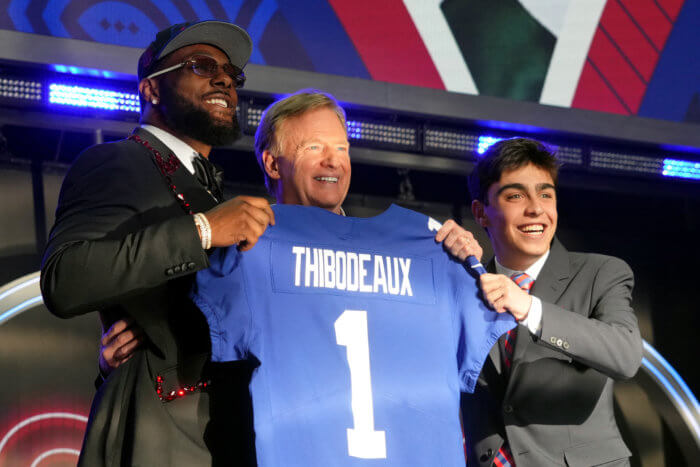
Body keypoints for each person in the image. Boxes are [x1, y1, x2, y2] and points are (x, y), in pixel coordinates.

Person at [190, 89, 516, 466]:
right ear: (273, 164)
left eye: (342, 149)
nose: (334, 161)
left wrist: (467, 263)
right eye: (314, 147)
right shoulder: (247, 250)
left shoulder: (430, 247)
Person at [40, 21, 273, 466]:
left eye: (232, 73)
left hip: (229, 433)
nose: (224, 78)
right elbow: (64, 280)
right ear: (150, 90)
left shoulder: (215, 194)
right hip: (163, 436)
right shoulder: (115, 162)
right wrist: (202, 231)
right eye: (202, 65)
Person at [461, 137, 643, 467]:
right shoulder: (464, 287)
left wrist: (530, 308)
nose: (536, 208)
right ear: (481, 212)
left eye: (546, 194)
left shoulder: (601, 273)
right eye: (515, 195)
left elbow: (625, 355)